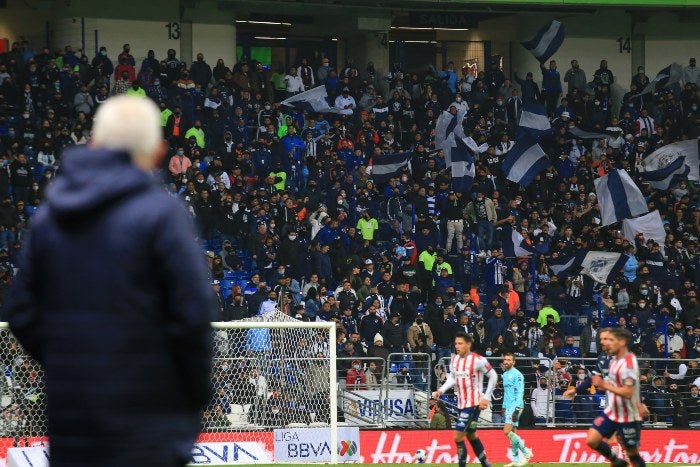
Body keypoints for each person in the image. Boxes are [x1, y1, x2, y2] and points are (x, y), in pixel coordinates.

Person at [4, 96, 214, 467]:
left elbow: (21, 312)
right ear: (156, 151)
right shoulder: (161, 214)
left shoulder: (49, 217)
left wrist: (70, 364)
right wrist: (191, 401)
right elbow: (193, 317)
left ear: (95, 143)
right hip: (151, 428)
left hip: (73, 428)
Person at [432, 332, 498, 467]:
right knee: (471, 435)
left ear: (468, 344)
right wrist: (441, 390)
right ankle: (486, 464)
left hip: (473, 405)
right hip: (461, 404)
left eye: (460, 343)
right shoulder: (455, 360)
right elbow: (452, 378)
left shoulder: (478, 360)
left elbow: (493, 376)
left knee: (457, 436)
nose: (457, 346)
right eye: (456, 343)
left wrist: (486, 397)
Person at [587, 328, 649, 467]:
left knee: (633, 454)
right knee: (592, 439)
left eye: (611, 340)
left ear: (622, 342)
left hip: (628, 415)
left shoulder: (629, 363)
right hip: (612, 412)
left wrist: (604, 385)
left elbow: (628, 392)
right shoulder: (614, 360)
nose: (607, 343)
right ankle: (617, 461)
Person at [501, 353, 533, 467]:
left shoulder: (518, 375)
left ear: (513, 362)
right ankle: (515, 460)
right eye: (505, 359)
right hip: (508, 406)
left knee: (506, 431)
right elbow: (506, 392)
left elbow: (520, 392)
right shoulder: (504, 375)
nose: (506, 361)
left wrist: (516, 408)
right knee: (513, 432)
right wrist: (504, 406)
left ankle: (527, 452)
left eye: (509, 360)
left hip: (516, 406)